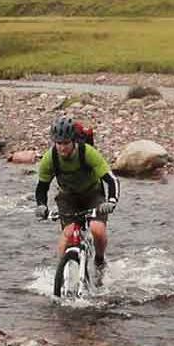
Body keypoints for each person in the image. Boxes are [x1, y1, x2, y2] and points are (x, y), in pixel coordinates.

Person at [32, 116, 118, 287]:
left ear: (73, 141)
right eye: (58, 143)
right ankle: (61, 274)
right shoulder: (50, 159)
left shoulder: (88, 153)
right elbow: (42, 187)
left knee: (97, 229)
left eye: (66, 143)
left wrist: (112, 200)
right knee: (68, 234)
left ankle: (99, 260)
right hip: (68, 197)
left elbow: (111, 180)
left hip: (93, 195)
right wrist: (41, 206)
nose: (62, 147)